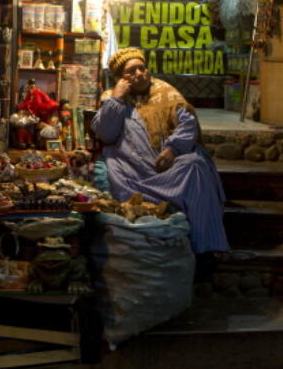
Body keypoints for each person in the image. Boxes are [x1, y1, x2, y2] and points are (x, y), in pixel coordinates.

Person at [90, 47, 229, 260]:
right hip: (134, 173)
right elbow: (106, 135)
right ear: (119, 78)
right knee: (117, 171)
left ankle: (206, 248)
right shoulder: (112, 98)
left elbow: (187, 123)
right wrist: (117, 99)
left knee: (195, 165)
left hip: (167, 168)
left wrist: (173, 149)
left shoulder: (166, 93)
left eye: (142, 68)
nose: (139, 74)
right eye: (131, 71)